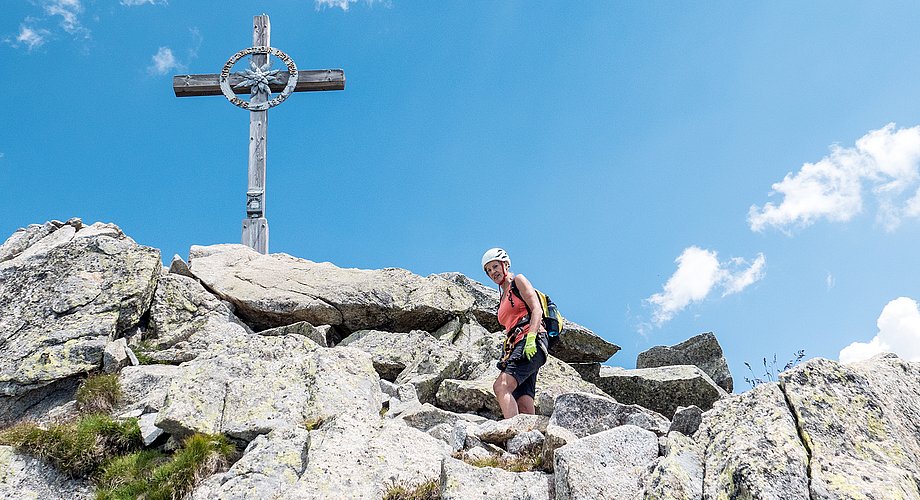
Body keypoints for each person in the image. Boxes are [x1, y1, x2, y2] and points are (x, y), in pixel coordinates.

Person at [481, 248, 549, 419]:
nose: (492, 272)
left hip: (530, 340)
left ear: (506, 264)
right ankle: (530, 441)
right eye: (488, 270)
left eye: (495, 266)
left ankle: (513, 434)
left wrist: (532, 337)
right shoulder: (503, 296)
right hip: (517, 345)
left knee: (501, 386)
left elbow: (536, 309)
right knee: (523, 401)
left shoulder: (518, 281)